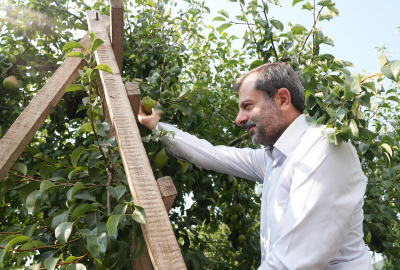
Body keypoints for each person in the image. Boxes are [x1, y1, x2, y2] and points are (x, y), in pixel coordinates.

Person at [138, 62, 373, 269]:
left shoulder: (323, 146)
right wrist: (157, 126)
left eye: (247, 106)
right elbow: (210, 154)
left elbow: (294, 261)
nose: (239, 118)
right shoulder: (272, 159)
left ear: (282, 99)